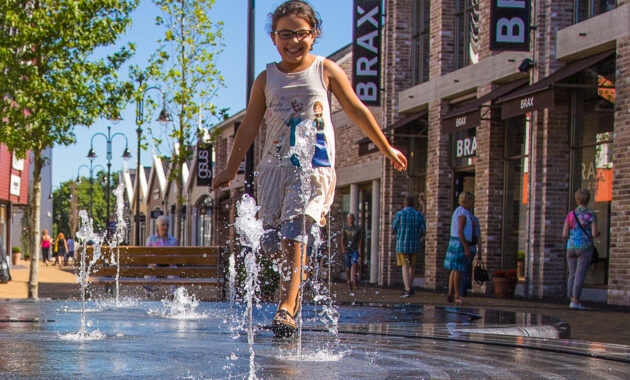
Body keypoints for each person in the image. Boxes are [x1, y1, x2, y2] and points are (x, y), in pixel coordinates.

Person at [212, 0, 407, 338]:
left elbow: (357, 109)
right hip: (273, 169)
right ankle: (295, 286)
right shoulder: (266, 78)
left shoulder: (325, 70)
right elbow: (249, 127)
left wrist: (385, 146)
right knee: (271, 242)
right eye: (285, 34)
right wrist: (230, 169)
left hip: (313, 166)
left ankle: (288, 304)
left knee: (294, 233)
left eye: (301, 33)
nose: (293, 41)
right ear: (273, 38)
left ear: (314, 35)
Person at [562, 189, 599, 310]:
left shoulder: (571, 214)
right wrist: (598, 233)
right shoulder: (590, 215)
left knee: (572, 274)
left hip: (571, 246)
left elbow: (564, 233)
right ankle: (576, 301)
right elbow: (594, 234)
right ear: (588, 199)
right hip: (585, 247)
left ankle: (571, 298)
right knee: (580, 274)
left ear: (576, 199)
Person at [392, 196, 426, 297]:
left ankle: (407, 289)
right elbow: (424, 230)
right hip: (415, 245)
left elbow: (393, 229)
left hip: (402, 245)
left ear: (404, 204)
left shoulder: (399, 214)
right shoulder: (418, 215)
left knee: (405, 266)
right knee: (412, 267)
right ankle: (409, 288)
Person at [444, 192, 474, 304]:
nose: (473, 203)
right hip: (459, 243)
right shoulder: (463, 213)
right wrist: (466, 247)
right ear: (467, 200)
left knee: (454, 269)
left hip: (455, 241)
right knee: (458, 270)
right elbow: (460, 230)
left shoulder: (459, 211)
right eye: (471, 200)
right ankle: (457, 295)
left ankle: (450, 293)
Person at [145, 215, 179, 296]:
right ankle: (147, 293)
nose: (165, 227)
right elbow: (147, 255)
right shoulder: (151, 239)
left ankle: (173, 294)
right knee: (149, 270)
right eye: (163, 225)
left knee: (173, 270)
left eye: (167, 225)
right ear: (157, 226)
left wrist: (172, 262)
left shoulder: (173, 239)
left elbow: (176, 255)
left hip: (169, 264)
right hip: (155, 264)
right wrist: (151, 263)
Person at [460, 212, 480, 297]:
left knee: (460, 269)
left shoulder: (461, 218)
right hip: (472, 247)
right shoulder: (475, 219)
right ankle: (463, 289)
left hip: (463, 246)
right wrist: (480, 250)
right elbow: (478, 236)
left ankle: (460, 289)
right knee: (466, 269)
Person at [341, 213, 362, 292]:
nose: (351, 220)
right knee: (347, 267)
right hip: (347, 250)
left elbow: (360, 240)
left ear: (354, 219)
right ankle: (348, 282)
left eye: (352, 218)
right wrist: (343, 249)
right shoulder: (345, 228)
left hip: (355, 249)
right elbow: (342, 239)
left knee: (355, 264)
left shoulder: (358, 229)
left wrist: (360, 250)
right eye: (349, 218)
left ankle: (355, 283)